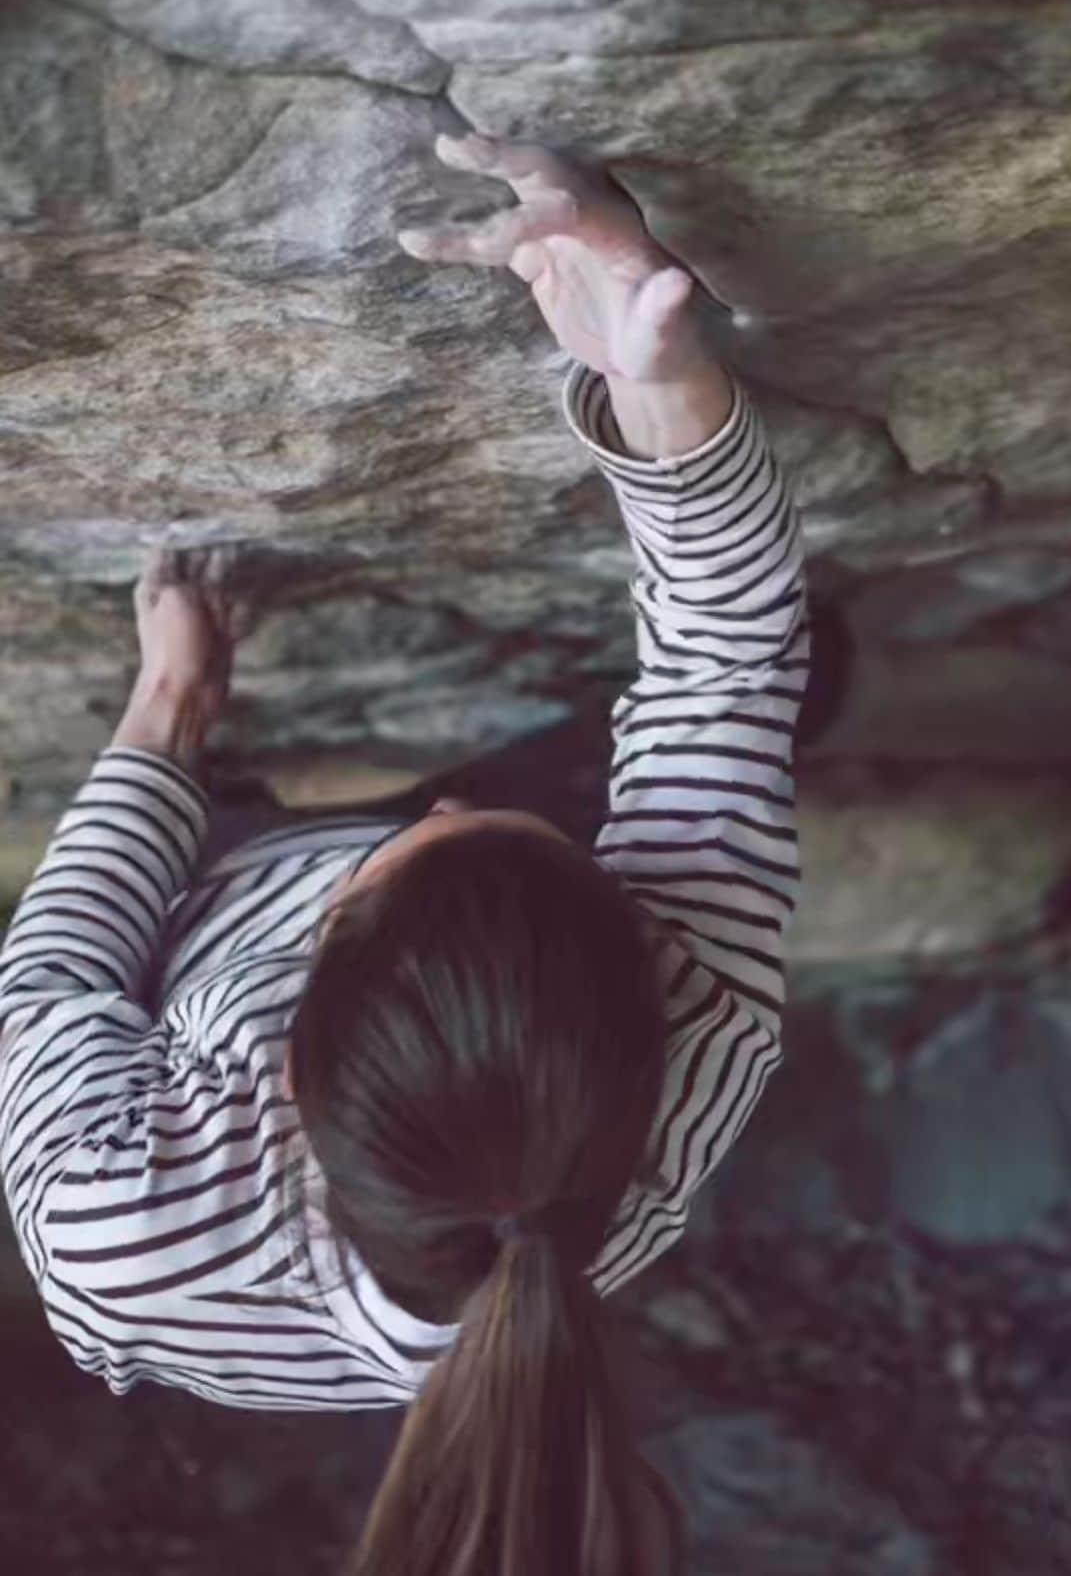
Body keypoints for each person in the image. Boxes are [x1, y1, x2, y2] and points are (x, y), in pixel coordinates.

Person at [0, 131, 811, 1576]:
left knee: (225, 824)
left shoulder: (113, 1224)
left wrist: (170, 707)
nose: (426, 814)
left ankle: (266, 813)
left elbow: (56, 967)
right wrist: (655, 376)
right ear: (639, 939)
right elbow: (729, 669)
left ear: (284, 1056)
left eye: (409, 850)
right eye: (465, 827)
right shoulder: (692, 1028)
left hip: (213, 891)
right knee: (821, 675)